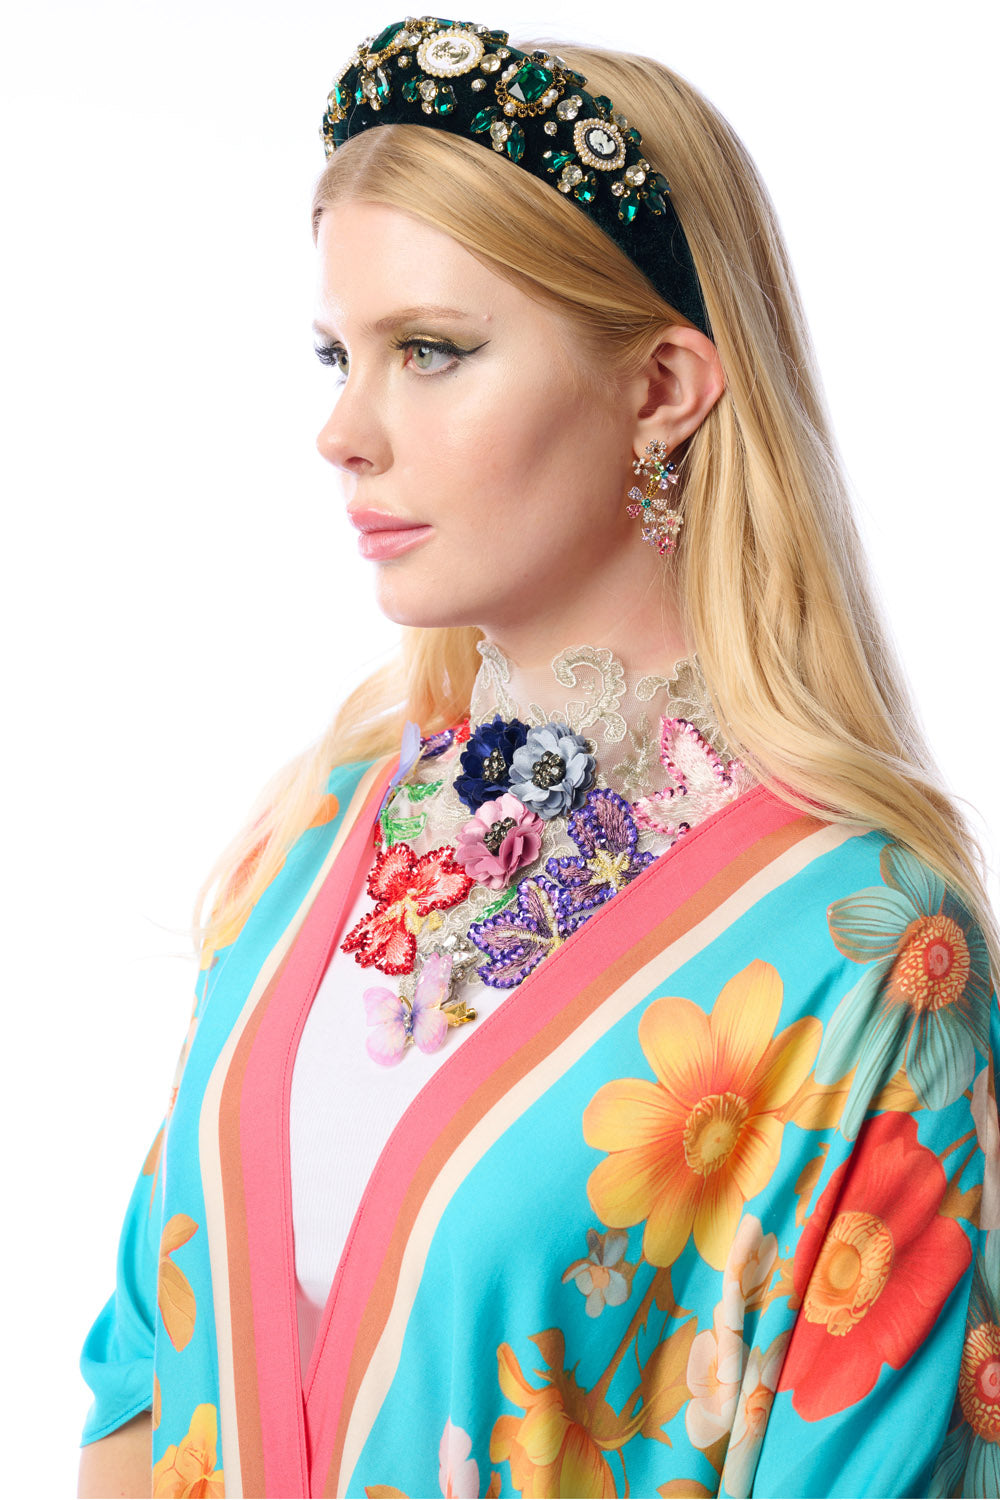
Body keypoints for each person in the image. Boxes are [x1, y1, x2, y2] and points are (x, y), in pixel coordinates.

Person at [78, 16, 1000, 1500]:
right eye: (339, 354)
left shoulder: (866, 954)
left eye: (430, 352)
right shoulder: (316, 829)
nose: (343, 431)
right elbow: (142, 1371)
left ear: (663, 388)